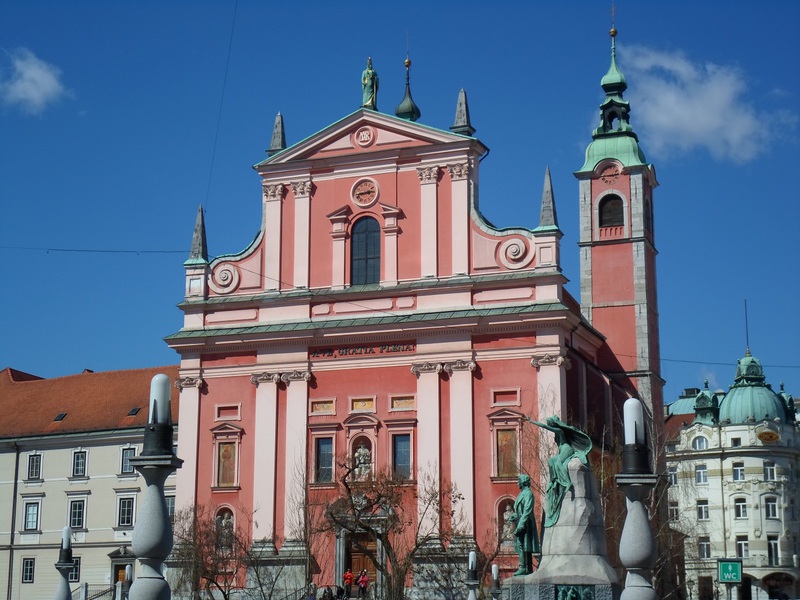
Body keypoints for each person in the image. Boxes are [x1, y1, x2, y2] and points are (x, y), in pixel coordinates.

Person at [508, 474, 539, 576]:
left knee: (524, 545)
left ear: (523, 482)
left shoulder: (528, 494)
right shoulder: (521, 494)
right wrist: (515, 516)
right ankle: (527, 568)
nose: (517, 483)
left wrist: (521, 524)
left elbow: (527, 510)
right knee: (522, 545)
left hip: (526, 523)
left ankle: (523, 567)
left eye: (519, 481)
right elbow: (520, 510)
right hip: (521, 521)